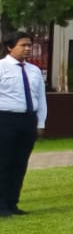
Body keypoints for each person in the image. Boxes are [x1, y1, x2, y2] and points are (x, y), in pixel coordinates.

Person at [0, 32, 47, 216]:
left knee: (20, 163)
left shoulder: (34, 70)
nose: (28, 48)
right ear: (10, 47)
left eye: (29, 45)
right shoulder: (1, 67)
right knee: (3, 163)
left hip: (28, 120)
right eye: (23, 45)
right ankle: (1, 205)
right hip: (5, 119)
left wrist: (40, 122)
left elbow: (41, 99)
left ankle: (13, 203)